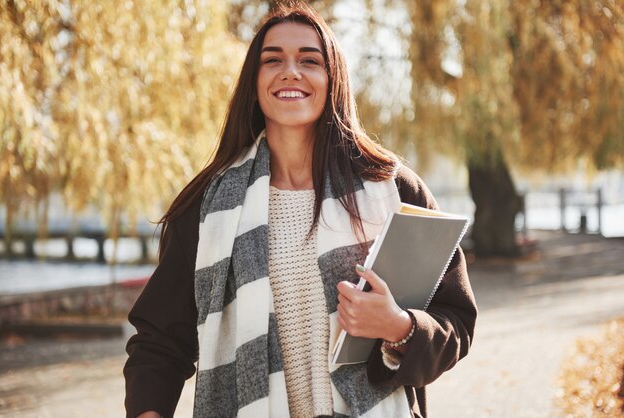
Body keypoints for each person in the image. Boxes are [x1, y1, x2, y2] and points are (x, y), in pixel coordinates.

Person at [123, 2, 477, 418]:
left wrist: (399, 327)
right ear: (254, 82)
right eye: (273, 60)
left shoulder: (395, 189)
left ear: (333, 80)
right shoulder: (207, 207)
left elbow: (456, 321)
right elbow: (160, 341)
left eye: (310, 60)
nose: (290, 71)